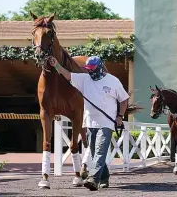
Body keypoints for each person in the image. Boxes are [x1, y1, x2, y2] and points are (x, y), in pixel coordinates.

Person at [48, 56, 129, 191]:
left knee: (100, 151)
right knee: (94, 152)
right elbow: (67, 75)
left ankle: (93, 179)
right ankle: (104, 178)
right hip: (90, 123)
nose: (90, 72)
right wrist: (56, 65)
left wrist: (120, 116)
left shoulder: (113, 81)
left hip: (106, 123)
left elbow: (124, 100)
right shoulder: (84, 79)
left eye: (92, 69)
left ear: (100, 67)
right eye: (88, 70)